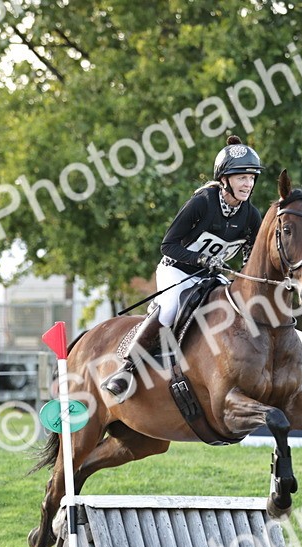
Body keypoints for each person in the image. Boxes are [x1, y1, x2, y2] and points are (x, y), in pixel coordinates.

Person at [102, 135, 264, 400]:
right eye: (241, 177)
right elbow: (168, 245)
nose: (248, 184)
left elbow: (252, 253)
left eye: (251, 178)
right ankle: (127, 369)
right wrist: (199, 260)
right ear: (224, 180)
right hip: (176, 271)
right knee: (169, 309)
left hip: (211, 278)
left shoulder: (251, 215)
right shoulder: (203, 203)